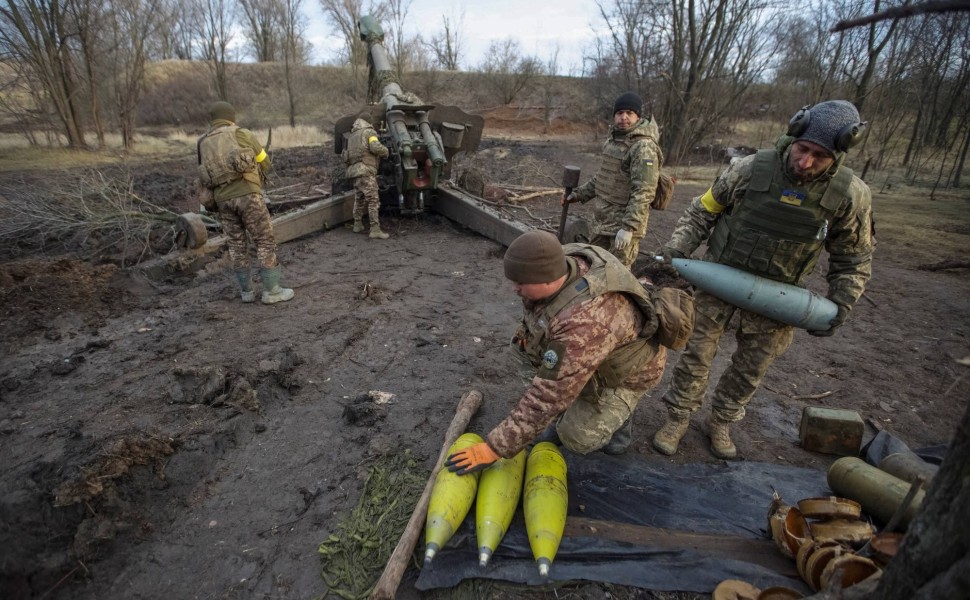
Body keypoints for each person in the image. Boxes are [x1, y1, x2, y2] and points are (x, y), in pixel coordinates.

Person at [652, 99, 874, 459]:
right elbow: (702, 211)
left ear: (839, 154)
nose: (805, 163)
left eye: (820, 156)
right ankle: (678, 416)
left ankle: (721, 420)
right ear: (793, 134)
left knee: (750, 368)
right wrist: (676, 251)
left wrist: (842, 302)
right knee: (695, 355)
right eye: (802, 149)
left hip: (779, 299)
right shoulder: (750, 169)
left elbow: (854, 257)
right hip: (718, 282)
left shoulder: (849, 195)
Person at [444, 229, 671, 475]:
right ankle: (577, 394)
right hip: (594, 350)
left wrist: (494, 448)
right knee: (521, 349)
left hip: (628, 371)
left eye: (521, 283)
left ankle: (620, 419)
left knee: (576, 437)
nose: (514, 289)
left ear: (546, 280)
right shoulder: (560, 259)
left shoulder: (584, 321)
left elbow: (548, 396)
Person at [197, 101, 294, 304]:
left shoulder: (202, 142)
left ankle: (247, 292)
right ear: (231, 117)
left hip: (222, 201)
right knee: (264, 240)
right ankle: (272, 292)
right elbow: (264, 162)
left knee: (236, 245)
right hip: (248, 196)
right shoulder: (241, 133)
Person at [562, 91, 663, 268]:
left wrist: (628, 228)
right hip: (602, 222)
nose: (624, 117)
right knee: (594, 269)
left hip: (622, 229)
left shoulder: (643, 147)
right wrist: (578, 195)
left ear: (638, 116)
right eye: (619, 113)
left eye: (629, 113)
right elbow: (604, 177)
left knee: (616, 276)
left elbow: (644, 191)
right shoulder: (613, 141)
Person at [344, 117, 391, 239]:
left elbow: (346, 157)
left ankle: (357, 224)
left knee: (359, 198)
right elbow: (375, 147)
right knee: (373, 199)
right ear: (368, 122)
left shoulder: (352, 136)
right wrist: (386, 152)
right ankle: (375, 229)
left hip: (354, 172)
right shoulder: (369, 132)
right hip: (365, 170)